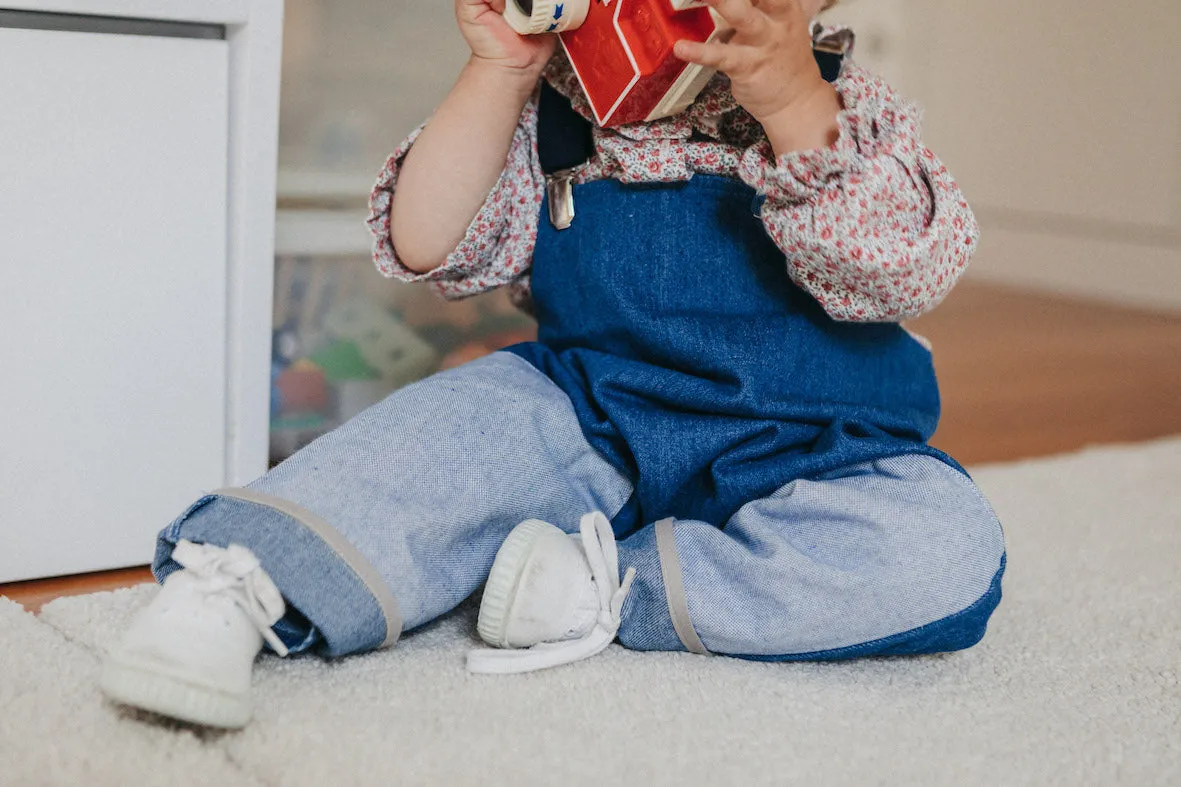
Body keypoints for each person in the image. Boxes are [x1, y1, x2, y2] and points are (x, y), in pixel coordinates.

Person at [100, 0, 1006, 729]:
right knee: (442, 429)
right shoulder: (556, 117)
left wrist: (793, 106)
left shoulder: (857, 113)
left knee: (941, 544)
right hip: (589, 416)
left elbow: (901, 269)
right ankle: (240, 583)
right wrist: (502, 70)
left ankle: (605, 587)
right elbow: (424, 241)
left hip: (815, 446)